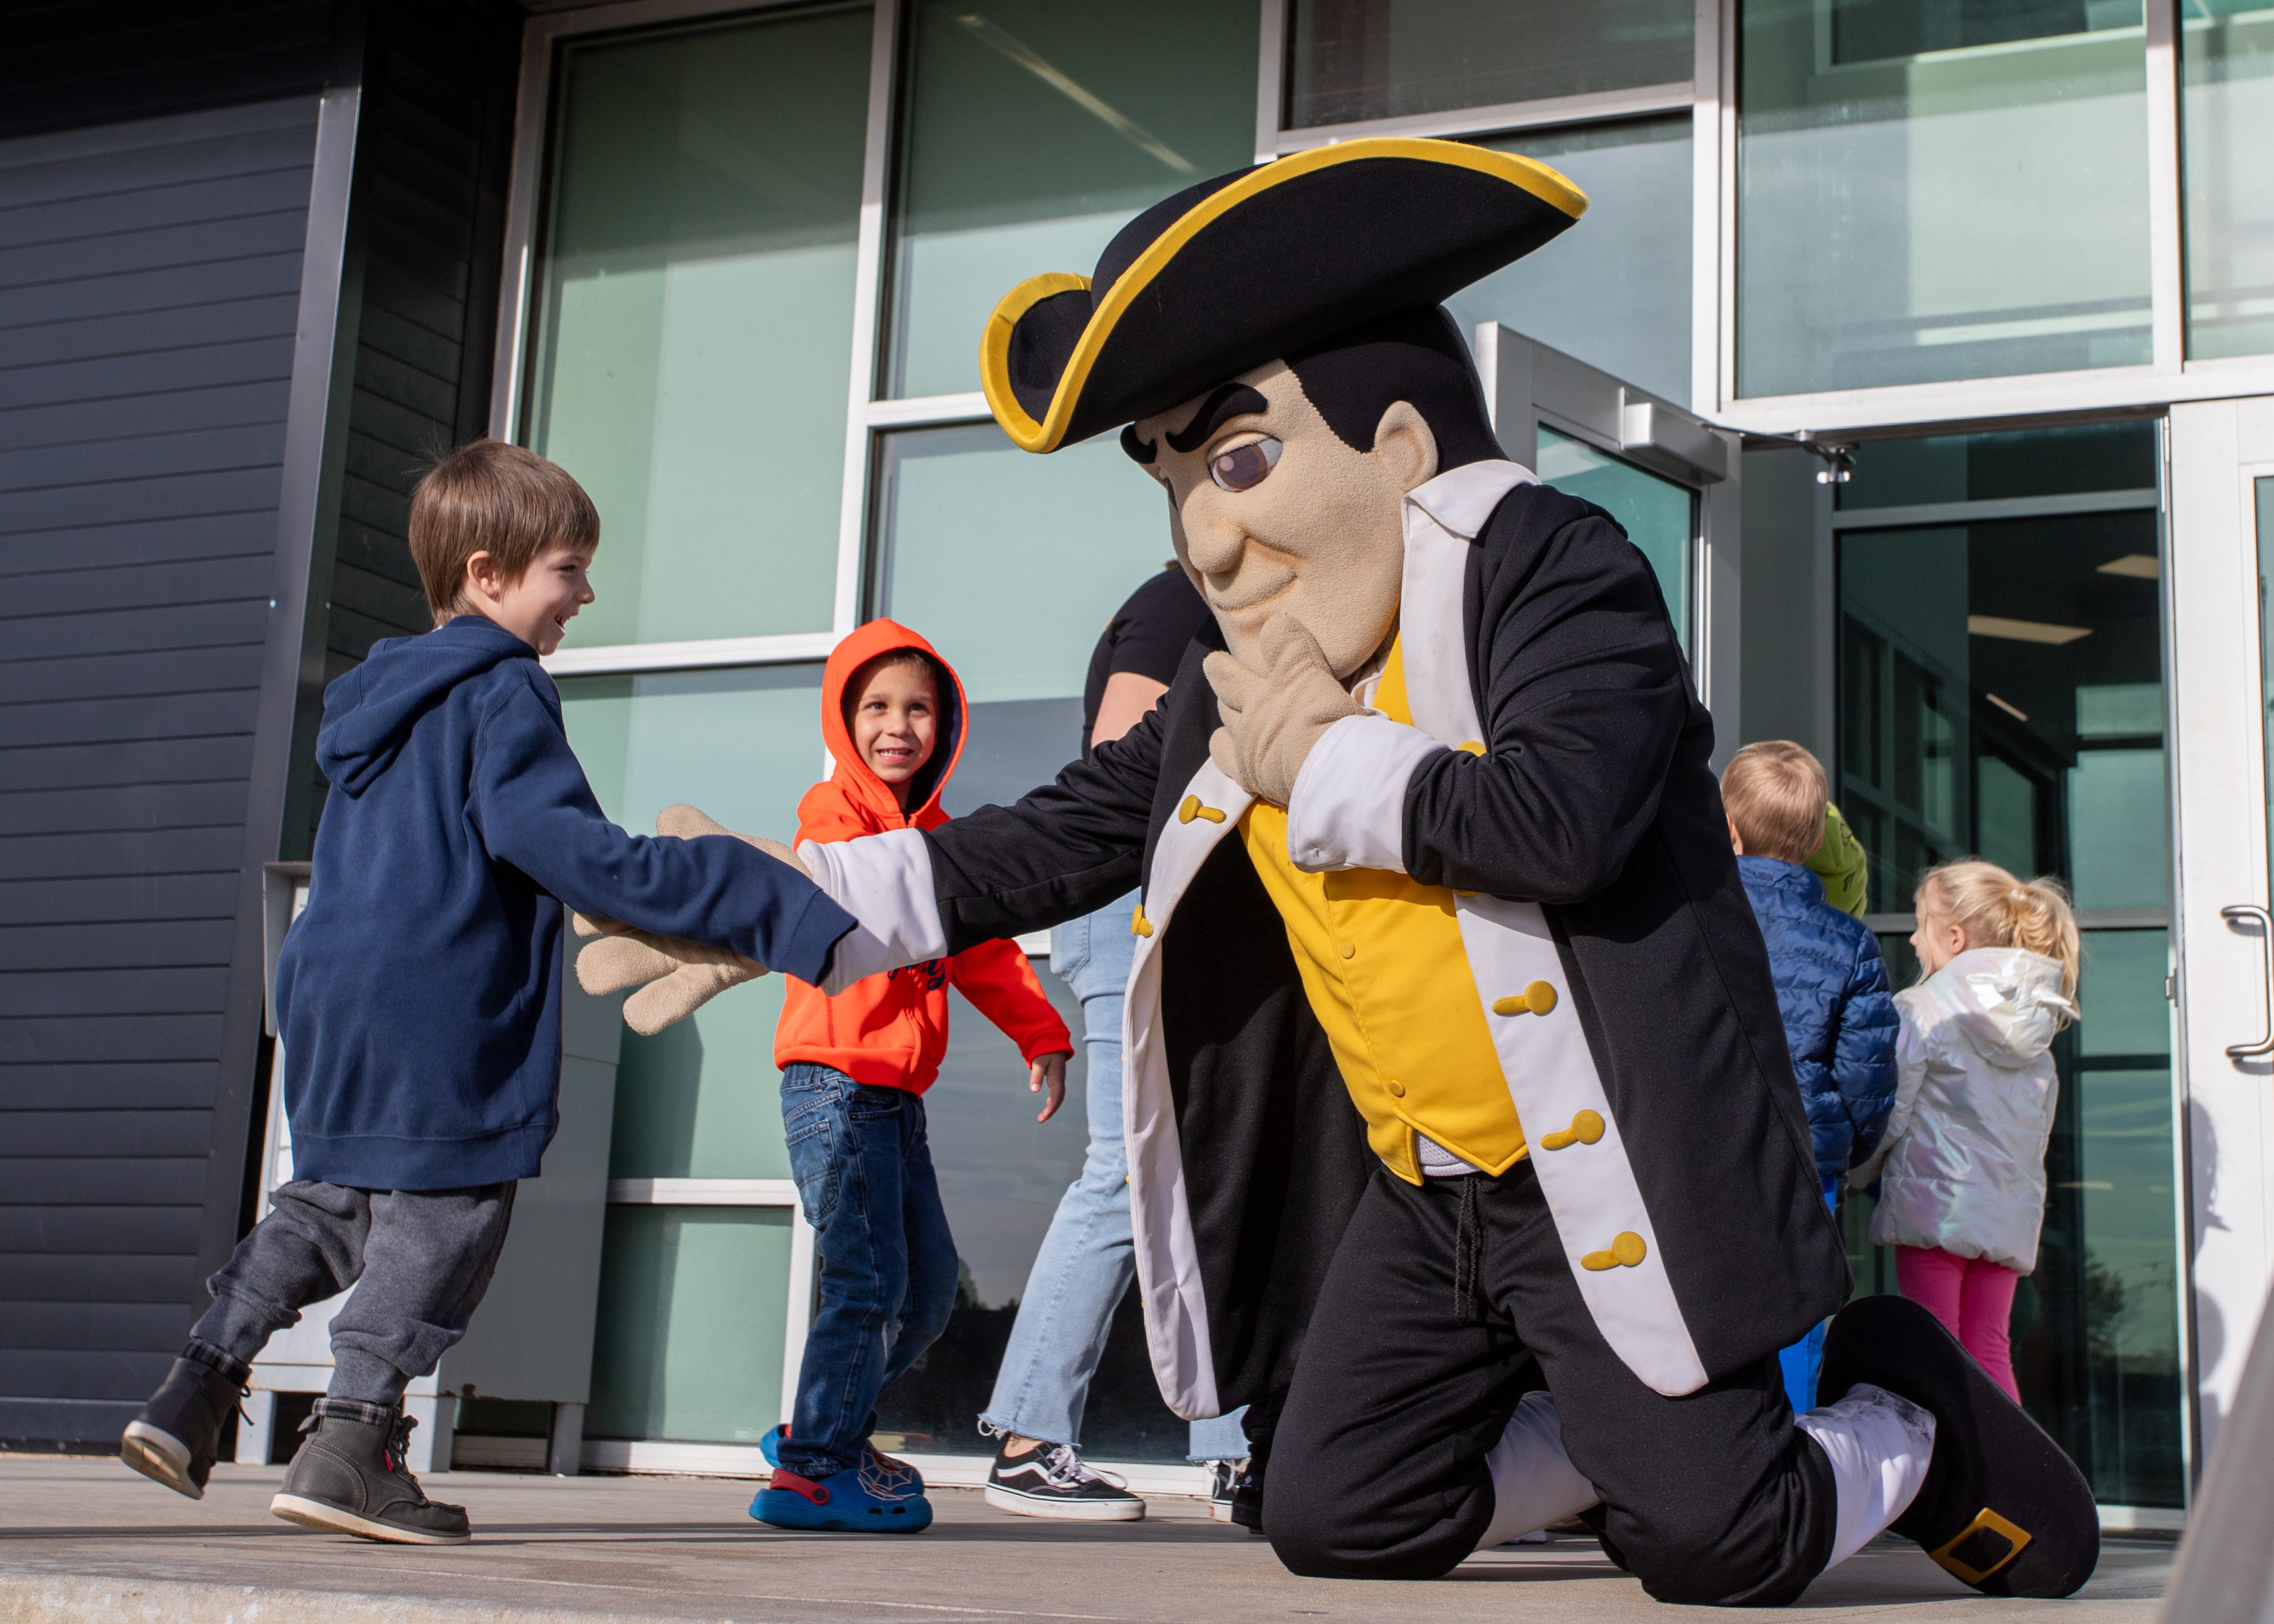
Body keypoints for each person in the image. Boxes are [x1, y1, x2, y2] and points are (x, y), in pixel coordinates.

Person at [613, 136, 2099, 1600]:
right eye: (1176, 482)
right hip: (1422, 1189)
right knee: (1331, 1509)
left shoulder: (1555, 568)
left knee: (1720, 1543)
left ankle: (1902, 1408)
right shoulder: (1231, 682)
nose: (1206, 531)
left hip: (1603, 1168)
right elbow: (1063, 834)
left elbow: (1561, 817)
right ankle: (1622, 1440)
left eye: (1239, 459)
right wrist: (789, 906)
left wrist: (1322, 760)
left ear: (1397, 450)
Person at [117, 440, 855, 1544]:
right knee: (452, 1209)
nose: (586, 593)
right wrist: (761, 889)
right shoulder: (504, 690)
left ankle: (199, 1383)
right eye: (568, 568)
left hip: (330, 983)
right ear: (486, 573)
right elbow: (568, 852)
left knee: (335, 1197)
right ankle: (351, 1442)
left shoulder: (383, 699)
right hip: (437, 992)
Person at [748, 620, 1074, 1535]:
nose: (899, 725)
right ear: (845, 718)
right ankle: (814, 1470)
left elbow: (984, 950)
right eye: (878, 706)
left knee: (927, 1292)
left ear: (947, 722)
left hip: (897, 1098)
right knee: (866, 1284)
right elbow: (844, 885)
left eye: (919, 708)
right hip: (835, 1084)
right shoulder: (833, 814)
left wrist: (1040, 1031)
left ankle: (826, 1430)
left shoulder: (940, 838)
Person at [978, 564, 1250, 1523]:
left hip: (1171, 904)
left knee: (1210, 1173)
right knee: (1125, 1174)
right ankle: (1028, 1438)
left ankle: (1234, 1452)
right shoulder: (1185, 599)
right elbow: (1118, 761)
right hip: (1135, 900)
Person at [1851, 860, 2081, 1403]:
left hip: (1936, 1209)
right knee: (1990, 1347)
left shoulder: (1922, 1009)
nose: (1910, 938)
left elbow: (1892, 1112)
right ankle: (2008, 1481)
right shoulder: (2037, 1033)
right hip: (2004, 1219)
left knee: (1934, 1345)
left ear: (1954, 938)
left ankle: (1951, 1481)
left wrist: (1852, 1173)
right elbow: (2035, 1138)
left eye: (1919, 923)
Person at [1721, 742, 1897, 1412]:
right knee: (1795, 1318)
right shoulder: (1849, 941)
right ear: (1819, 836)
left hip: (1705, 1152)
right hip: (1805, 1159)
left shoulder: (1695, 921)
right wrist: (1846, 1147)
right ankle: (1790, 1471)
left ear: (1728, 829)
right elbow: (1867, 1072)